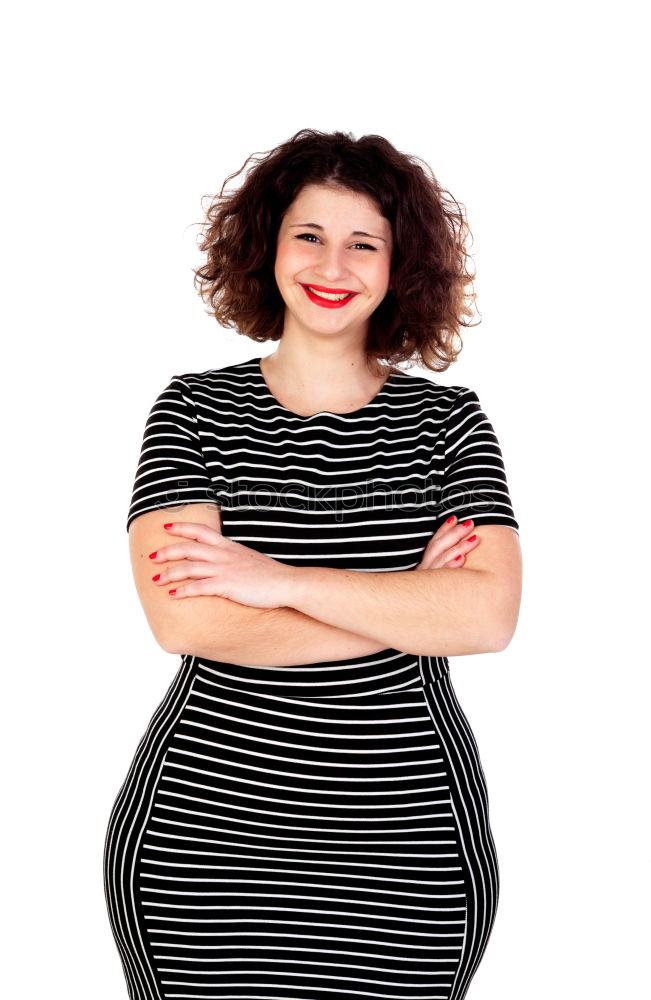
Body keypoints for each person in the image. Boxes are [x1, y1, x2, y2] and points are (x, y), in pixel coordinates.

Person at [103, 127, 522, 1000]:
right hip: (203, 833)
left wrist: (278, 581)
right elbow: (185, 618)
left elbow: (485, 618)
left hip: (406, 845)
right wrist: (404, 602)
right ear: (266, 245)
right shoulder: (193, 408)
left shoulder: (449, 423)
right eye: (309, 235)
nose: (333, 263)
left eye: (363, 242)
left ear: (399, 265)